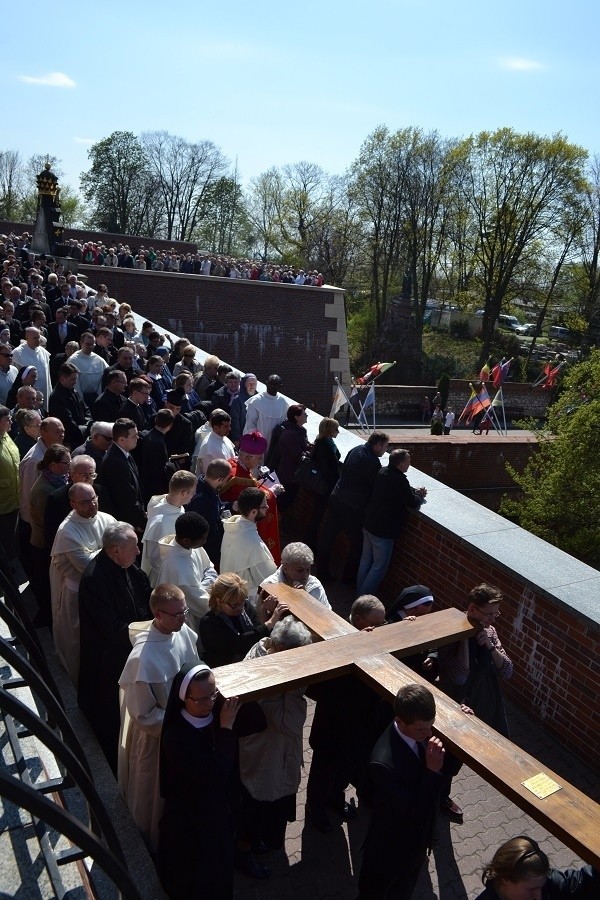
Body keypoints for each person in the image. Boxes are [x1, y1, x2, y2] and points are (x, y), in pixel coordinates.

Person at [118, 584, 200, 852]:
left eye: (185, 611)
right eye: (177, 614)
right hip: (158, 740)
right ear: (157, 615)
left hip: (186, 726)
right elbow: (144, 714)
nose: (184, 618)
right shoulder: (142, 659)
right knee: (152, 798)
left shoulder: (183, 632)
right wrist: (183, 720)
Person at [156, 663, 242, 899]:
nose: (209, 703)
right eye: (201, 699)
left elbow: (258, 722)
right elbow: (214, 773)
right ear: (184, 698)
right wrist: (226, 728)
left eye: (213, 695)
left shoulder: (217, 712)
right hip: (189, 821)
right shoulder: (176, 736)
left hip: (216, 814)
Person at [306, 595, 386, 834]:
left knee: (347, 766)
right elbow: (315, 687)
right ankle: (316, 809)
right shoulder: (333, 640)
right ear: (358, 619)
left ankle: (335, 798)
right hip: (333, 725)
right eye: (376, 623)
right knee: (324, 769)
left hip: (361, 723)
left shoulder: (375, 634)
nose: (381, 628)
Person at [357, 684, 446, 900]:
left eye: (431, 727)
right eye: (421, 729)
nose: (429, 734)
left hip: (413, 851)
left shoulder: (417, 733)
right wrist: (432, 772)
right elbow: (414, 812)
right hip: (389, 853)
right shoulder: (383, 764)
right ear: (399, 720)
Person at [78, 522, 152, 772]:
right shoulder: (94, 578)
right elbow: (111, 628)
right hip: (108, 657)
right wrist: (152, 628)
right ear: (114, 550)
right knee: (110, 716)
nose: (139, 553)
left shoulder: (126, 564)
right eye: (133, 548)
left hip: (131, 645)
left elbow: (144, 590)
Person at [437, 583, 513, 823]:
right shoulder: (452, 632)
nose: (493, 619)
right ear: (472, 609)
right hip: (454, 704)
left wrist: (489, 646)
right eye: (489, 613)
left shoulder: (489, 632)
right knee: (446, 755)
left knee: (458, 756)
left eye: (496, 613)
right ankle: (438, 797)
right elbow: (459, 675)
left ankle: (439, 795)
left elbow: (508, 670)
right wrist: (466, 640)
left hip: (481, 703)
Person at [238, 617, 312, 851]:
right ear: (281, 649)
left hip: (272, 752)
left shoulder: (262, 649)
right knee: (260, 804)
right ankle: (249, 848)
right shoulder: (270, 680)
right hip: (268, 753)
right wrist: (296, 690)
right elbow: (289, 724)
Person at [49, 483, 116, 684]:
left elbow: (123, 546)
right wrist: (110, 551)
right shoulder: (67, 531)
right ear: (72, 504)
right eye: (85, 502)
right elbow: (87, 566)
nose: (92, 504)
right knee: (77, 640)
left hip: (106, 588)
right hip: (77, 592)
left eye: (94, 498)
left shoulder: (107, 519)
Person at [317, 430, 389, 584]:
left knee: (328, 537)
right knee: (358, 544)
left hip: (337, 498)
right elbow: (376, 485)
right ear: (378, 445)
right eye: (385, 447)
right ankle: (348, 579)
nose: (385, 450)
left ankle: (321, 571)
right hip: (352, 507)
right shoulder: (373, 462)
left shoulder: (355, 450)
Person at [356, 449, 427, 597]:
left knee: (365, 561)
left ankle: (358, 590)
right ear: (401, 464)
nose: (409, 464)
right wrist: (420, 495)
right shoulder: (400, 480)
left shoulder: (382, 472)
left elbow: (400, 491)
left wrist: (412, 490)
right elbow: (412, 502)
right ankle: (362, 600)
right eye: (408, 461)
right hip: (383, 531)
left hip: (369, 523)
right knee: (378, 567)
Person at [198, 572, 289, 669]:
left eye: (242, 602)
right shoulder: (208, 623)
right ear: (219, 601)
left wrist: (264, 611)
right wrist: (271, 621)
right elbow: (239, 645)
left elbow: (259, 630)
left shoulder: (245, 606)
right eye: (234, 605)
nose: (240, 608)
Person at [219, 430, 282, 564]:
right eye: (258, 458)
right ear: (247, 457)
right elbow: (252, 498)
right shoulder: (238, 479)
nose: (260, 462)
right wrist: (272, 492)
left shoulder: (232, 463)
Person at [476, 836, 598, 900]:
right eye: (531, 889)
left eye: (541, 887)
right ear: (505, 880)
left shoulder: (548, 885)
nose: (539, 896)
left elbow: (582, 883)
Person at [157, 512, 217, 633]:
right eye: (203, 539)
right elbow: (200, 603)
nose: (205, 542)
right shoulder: (176, 566)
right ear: (186, 541)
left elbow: (209, 568)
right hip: (187, 621)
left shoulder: (192, 546)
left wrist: (202, 586)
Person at [141, 471, 198, 585]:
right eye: (192, 492)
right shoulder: (160, 523)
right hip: (164, 580)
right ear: (182, 493)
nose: (194, 495)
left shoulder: (169, 504)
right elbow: (154, 559)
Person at [220, 487, 277, 598]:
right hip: (242, 598)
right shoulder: (253, 543)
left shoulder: (233, 525)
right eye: (264, 506)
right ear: (253, 512)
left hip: (227, 588)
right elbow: (269, 577)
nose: (268, 507)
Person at [97, 418, 146, 533]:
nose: (137, 438)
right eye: (134, 436)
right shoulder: (115, 462)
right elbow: (126, 499)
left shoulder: (125, 454)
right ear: (122, 440)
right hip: (125, 524)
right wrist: (141, 521)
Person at [303, 416, 342, 552]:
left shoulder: (325, 442)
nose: (338, 431)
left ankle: (309, 541)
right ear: (329, 430)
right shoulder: (324, 445)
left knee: (317, 516)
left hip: (322, 485)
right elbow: (328, 468)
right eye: (336, 428)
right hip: (323, 487)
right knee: (317, 516)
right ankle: (309, 543)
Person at [186, 458, 232, 570]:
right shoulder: (203, 500)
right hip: (206, 553)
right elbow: (211, 533)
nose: (227, 481)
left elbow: (218, 506)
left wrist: (231, 506)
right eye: (227, 478)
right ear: (220, 479)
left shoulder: (205, 486)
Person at [261, 541, 330, 608]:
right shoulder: (269, 585)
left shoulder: (315, 585)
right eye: (300, 570)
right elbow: (257, 617)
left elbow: (328, 615)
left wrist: (306, 599)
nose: (305, 575)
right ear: (285, 568)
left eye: (308, 570)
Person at [274, 403, 309, 513]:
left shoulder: (299, 431)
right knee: (283, 503)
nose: (307, 415)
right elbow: (297, 455)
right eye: (304, 414)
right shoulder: (291, 434)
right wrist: (309, 452)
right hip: (288, 476)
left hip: (292, 475)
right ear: (296, 417)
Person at [48, 362, 90, 450]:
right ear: (62, 379)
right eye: (72, 379)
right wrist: (84, 429)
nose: (75, 382)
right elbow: (67, 422)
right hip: (71, 440)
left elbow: (86, 410)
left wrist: (88, 423)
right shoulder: (57, 397)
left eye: (76, 379)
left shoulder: (73, 391)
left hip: (81, 435)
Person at [243, 374, 289, 445]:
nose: (273, 386)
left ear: (280, 386)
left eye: (276, 384)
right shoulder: (256, 401)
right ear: (266, 383)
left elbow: (285, 422)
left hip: (275, 442)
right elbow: (250, 425)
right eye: (271, 383)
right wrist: (255, 441)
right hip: (258, 441)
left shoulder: (283, 402)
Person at [12, 327, 51, 409]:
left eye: (38, 337)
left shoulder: (43, 351)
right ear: (27, 338)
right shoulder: (18, 353)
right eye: (35, 338)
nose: (38, 340)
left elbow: (48, 375)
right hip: (29, 396)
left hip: (44, 391)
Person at [0, 406, 19, 561]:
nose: (11, 421)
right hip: (2, 503)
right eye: (7, 419)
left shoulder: (6, 436)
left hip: (14, 499)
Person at [194, 409, 235, 475]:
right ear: (215, 428)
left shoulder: (225, 438)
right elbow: (208, 473)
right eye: (226, 426)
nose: (229, 429)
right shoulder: (208, 445)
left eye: (229, 425)